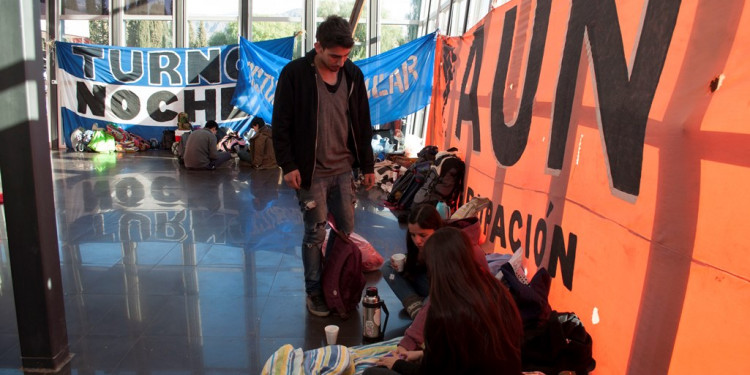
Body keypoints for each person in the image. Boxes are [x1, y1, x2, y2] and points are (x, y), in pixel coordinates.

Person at [272, 15, 375, 317]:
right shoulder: (294, 74)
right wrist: (288, 164)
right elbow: (280, 124)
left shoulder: (353, 75)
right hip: (310, 172)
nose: (340, 62)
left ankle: (335, 283)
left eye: (345, 56)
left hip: (344, 170)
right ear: (317, 46)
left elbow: (362, 123)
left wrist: (367, 164)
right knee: (315, 234)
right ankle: (314, 291)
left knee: (345, 232)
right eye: (334, 56)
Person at [364, 227, 524, 375]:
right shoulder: (496, 290)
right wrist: (421, 354)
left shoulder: (445, 311)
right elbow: (470, 355)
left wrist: (396, 364)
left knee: (372, 373)